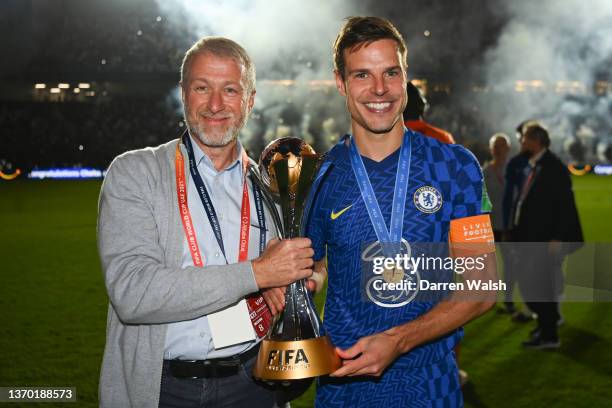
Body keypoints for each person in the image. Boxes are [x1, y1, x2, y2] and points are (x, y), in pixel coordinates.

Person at [97, 36, 314, 408]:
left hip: (254, 383)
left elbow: (291, 272)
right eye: (202, 88)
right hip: (164, 387)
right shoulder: (136, 172)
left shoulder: (270, 185)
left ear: (249, 100)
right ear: (183, 93)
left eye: (230, 90)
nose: (216, 105)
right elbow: (133, 293)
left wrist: (297, 281)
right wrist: (259, 274)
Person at [303, 17, 497, 406]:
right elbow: (317, 264)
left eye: (390, 72)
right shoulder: (318, 176)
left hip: (430, 386)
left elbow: (482, 287)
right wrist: (306, 280)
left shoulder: (456, 167)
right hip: (344, 389)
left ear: (406, 77)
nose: (379, 89)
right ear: (340, 82)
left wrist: (399, 340)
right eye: (362, 75)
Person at [510, 123, 583, 349]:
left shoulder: (553, 167)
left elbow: (565, 205)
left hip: (546, 239)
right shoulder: (538, 164)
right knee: (535, 286)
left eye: (524, 138)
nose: (521, 142)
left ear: (536, 141)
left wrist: (557, 237)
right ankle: (545, 327)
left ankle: (549, 335)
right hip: (533, 237)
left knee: (537, 287)